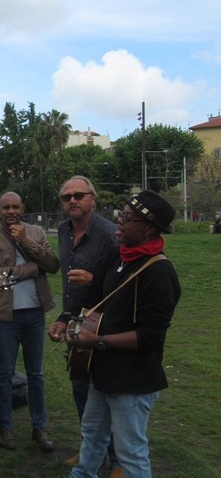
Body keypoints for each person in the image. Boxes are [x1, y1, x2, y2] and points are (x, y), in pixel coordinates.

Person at [65, 190, 181, 478]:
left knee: (130, 452)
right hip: (102, 372)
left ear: (149, 229)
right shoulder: (120, 255)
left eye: (127, 219)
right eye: (120, 216)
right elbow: (94, 294)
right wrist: (66, 320)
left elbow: (149, 337)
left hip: (132, 379)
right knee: (91, 436)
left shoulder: (159, 273)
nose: (119, 223)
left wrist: (98, 341)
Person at [46, 176, 121, 474]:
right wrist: (64, 319)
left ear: (93, 198)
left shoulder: (111, 233)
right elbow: (69, 286)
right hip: (77, 322)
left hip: (105, 321)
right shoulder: (63, 230)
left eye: (79, 195)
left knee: (107, 393)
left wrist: (95, 280)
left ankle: (118, 461)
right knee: (80, 389)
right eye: (66, 197)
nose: (72, 201)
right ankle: (92, 452)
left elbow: (122, 282)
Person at [0, 192, 59, 451]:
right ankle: (6, 428)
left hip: (35, 313)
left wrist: (26, 241)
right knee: (4, 374)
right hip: (6, 316)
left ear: (23, 208)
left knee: (36, 374)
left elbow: (53, 264)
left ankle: (40, 427)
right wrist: (32, 268)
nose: (11, 211)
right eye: (6, 207)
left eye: (15, 206)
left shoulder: (36, 231)